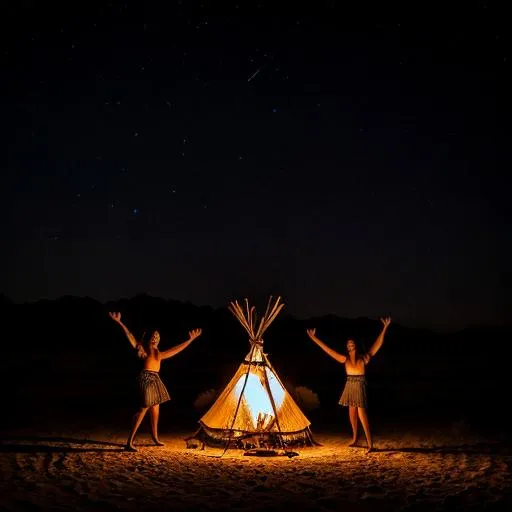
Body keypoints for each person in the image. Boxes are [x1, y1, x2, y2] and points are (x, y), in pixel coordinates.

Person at [109, 311, 202, 451]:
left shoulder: (159, 353)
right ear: (148, 338)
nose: (155, 338)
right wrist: (119, 322)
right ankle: (129, 442)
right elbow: (130, 336)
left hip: (156, 378)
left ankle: (155, 438)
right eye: (153, 336)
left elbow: (176, 350)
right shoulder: (143, 349)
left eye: (157, 336)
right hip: (146, 377)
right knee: (143, 408)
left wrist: (190, 340)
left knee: (155, 408)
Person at [306, 317, 391, 453]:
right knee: (351, 413)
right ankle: (355, 438)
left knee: (362, 414)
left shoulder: (364, 358)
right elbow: (327, 350)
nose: (350, 346)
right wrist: (313, 338)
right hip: (349, 385)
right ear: (347, 348)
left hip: (359, 385)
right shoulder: (344, 359)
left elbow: (377, 345)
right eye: (348, 345)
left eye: (352, 344)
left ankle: (370, 444)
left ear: (356, 346)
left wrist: (385, 328)